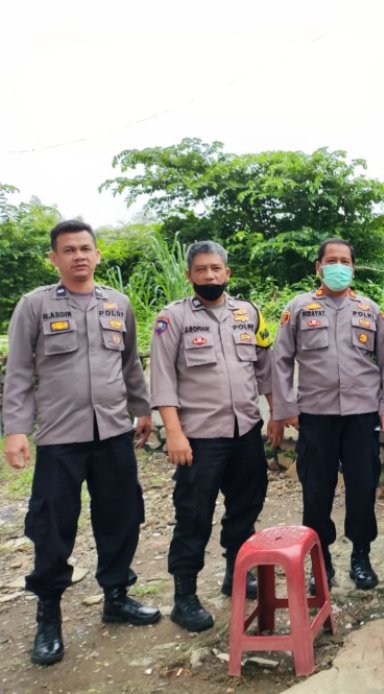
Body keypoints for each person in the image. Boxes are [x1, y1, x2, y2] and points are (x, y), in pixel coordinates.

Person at [2, 220, 160, 666]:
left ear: (98, 253)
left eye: (85, 248)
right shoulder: (34, 307)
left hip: (112, 431)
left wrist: (142, 408)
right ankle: (48, 616)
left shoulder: (118, 303)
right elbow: (17, 374)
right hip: (59, 437)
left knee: (122, 517)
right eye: (68, 250)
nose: (78, 256)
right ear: (54, 258)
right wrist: (16, 430)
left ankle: (116, 596)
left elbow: (130, 365)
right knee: (52, 528)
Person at [149, 240, 272, 631]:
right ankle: (184, 596)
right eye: (201, 270)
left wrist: (279, 414)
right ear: (189, 275)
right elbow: (163, 379)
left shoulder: (248, 313)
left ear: (227, 273)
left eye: (216, 269)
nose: (210, 276)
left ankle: (237, 573)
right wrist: (173, 433)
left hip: (246, 430)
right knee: (194, 515)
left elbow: (265, 368)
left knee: (245, 507)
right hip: (199, 438)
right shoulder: (172, 319)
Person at [268, 238, 384, 592]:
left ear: (353, 268)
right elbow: (279, 360)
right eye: (331, 260)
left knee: (362, 485)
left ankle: (360, 555)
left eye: (345, 260)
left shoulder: (369, 309)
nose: (338, 266)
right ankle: (319, 560)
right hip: (316, 415)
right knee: (316, 489)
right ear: (318, 267)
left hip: (362, 414)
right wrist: (285, 409)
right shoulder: (299, 308)